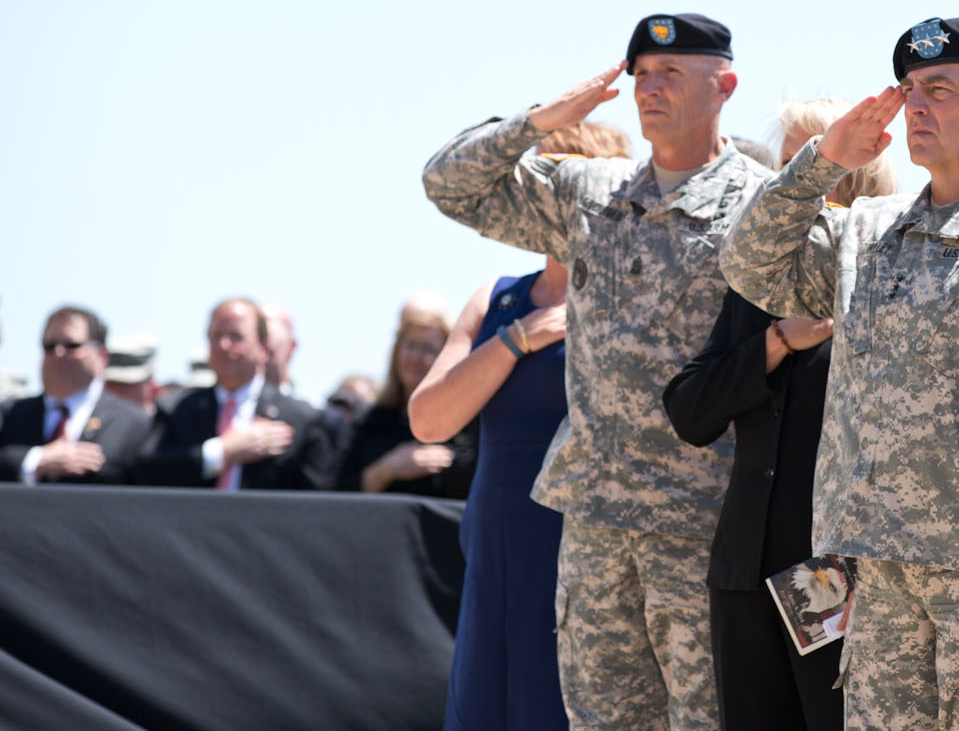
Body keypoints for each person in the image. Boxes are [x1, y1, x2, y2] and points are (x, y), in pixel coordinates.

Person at [720, 18, 959, 731]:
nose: (916, 106)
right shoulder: (866, 227)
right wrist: (820, 162)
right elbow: (747, 262)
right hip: (876, 573)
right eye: (910, 90)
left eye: (940, 90)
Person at [422, 13, 770, 730]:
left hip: (697, 521)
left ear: (724, 85)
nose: (651, 87)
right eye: (641, 73)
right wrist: (539, 120)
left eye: (672, 73)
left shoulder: (760, 202)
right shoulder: (591, 193)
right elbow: (448, 185)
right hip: (595, 524)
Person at [664, 100, 896, 731]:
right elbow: (689, 411)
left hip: (834, 573)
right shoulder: (753, 289)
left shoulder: (886, 269)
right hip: (743, 570)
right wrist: (773, 345)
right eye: (791, 161)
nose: (794, 175)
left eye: (812, 157)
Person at [411, 120, 632, 731]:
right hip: (501, 546)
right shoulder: (498, 298)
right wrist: (516, 340)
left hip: (593, 543)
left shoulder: (633, 303)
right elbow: (429, 419)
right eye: (538, 178)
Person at [138, 298, 334, 490]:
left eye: (236, 337)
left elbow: (316, 499)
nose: (224, 346)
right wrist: (222, 451)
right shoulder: (176, 410)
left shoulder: (300, 418)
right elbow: (146, 472)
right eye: (216, 336)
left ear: (263, 347)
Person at [0, 305, 154, 484]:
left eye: (71, 345)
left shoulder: (134, 422)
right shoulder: (11, 414)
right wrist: (34, 461)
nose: (58, 353)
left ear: (102, 355)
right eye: (49, 346)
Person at [336, 308, 474, 498]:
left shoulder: (467, 422)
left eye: (428, 349)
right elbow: (336, 495)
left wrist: (446, 463)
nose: (416, 358)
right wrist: (387, 469)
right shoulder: (369, 422)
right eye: (410, 346)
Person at [103, 332, 160, 414]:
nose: (117, 393)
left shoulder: (168, 423)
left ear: (152, 386)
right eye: (112, 384)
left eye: (127, 385)